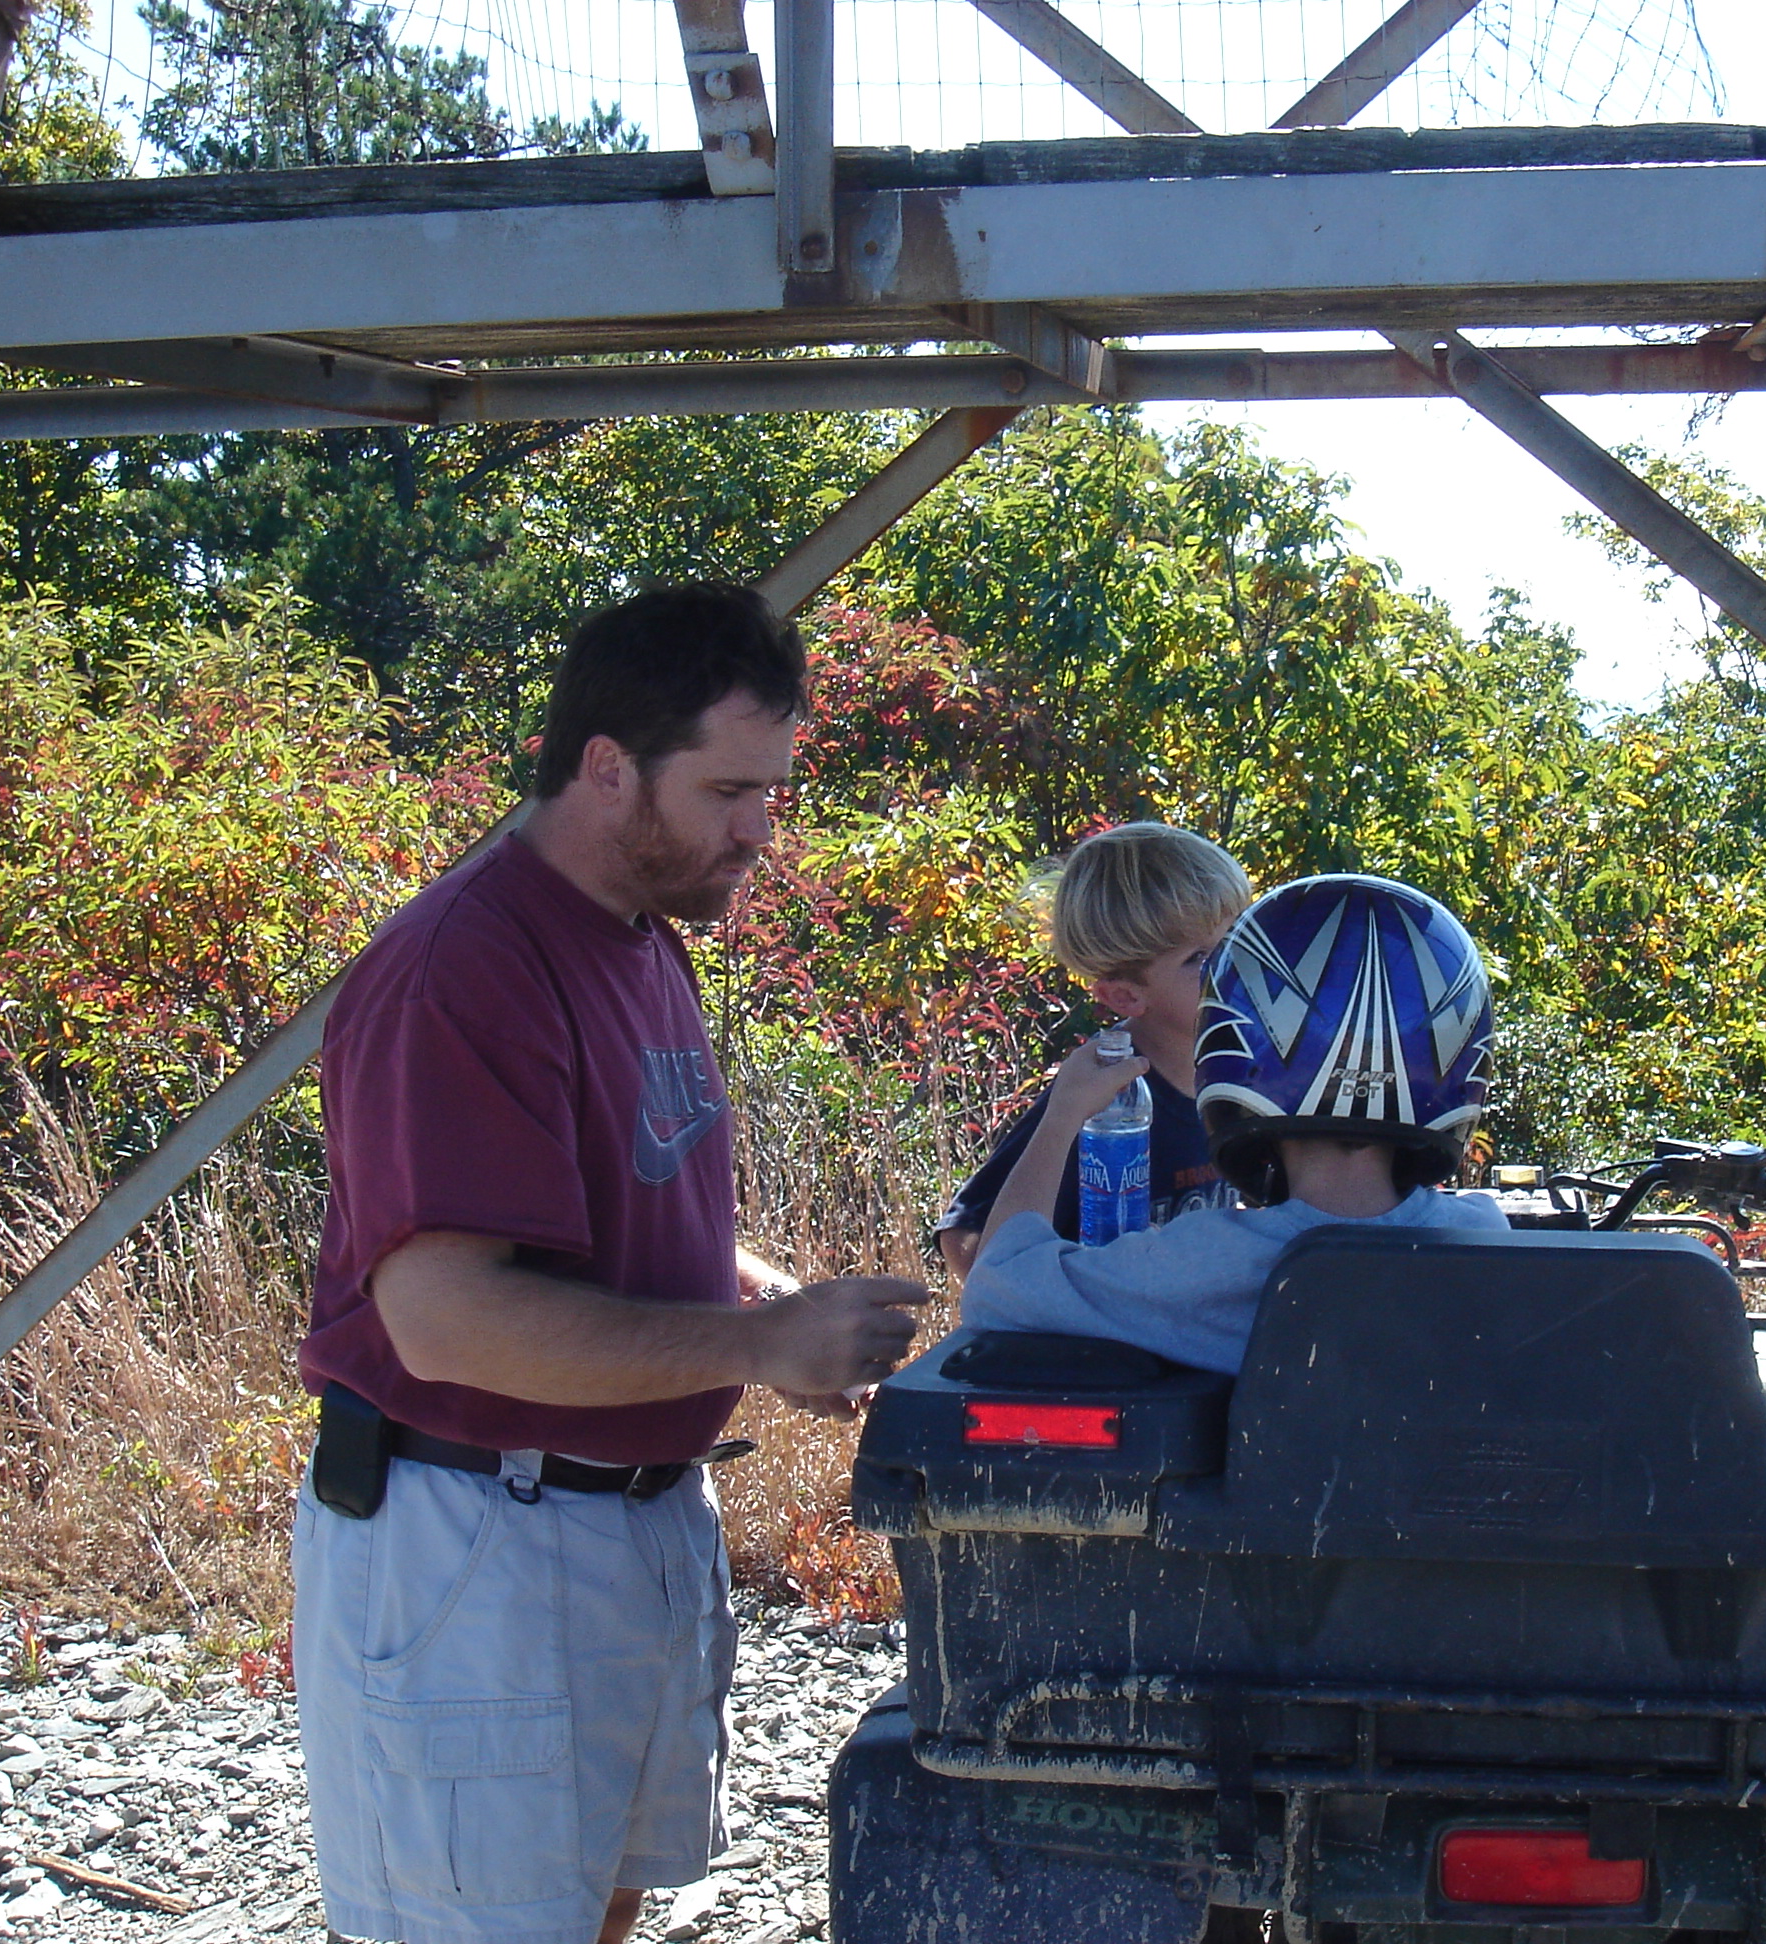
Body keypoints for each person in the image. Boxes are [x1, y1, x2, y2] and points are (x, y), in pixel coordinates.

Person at [291, 583, 926, 1944]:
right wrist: (755, 1350)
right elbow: (445, 1320)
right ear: (604, 768)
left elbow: (610, 1222)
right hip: (474, 1538)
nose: (763, 828)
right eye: (732, 790)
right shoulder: (465, 964)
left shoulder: (640, 941)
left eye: (774, 790)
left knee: (598, 1912)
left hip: (624, 1520)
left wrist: (757, 1299)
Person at [959, 873, 1512, 1374]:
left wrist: (1062, 1116)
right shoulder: (1486, 1243)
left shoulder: (1207, 1266)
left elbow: (996, 1284)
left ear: (1237, 1044)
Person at [935, 822, 1253, 1282]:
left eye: (1239, 935)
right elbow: (967, 1240)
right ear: (1125, 998)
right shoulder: (1109, 1093)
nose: (1233, 963)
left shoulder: (1247, 1072)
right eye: (1200, 958)